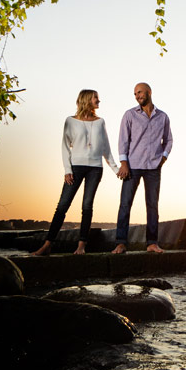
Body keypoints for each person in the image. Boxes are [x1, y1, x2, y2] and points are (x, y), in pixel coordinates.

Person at [32, 89, 119, 256]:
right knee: (62, 205)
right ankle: (48, 245)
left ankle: (81, 246)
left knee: (87, 206)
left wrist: (115, 169)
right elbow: (65, 146)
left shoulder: (101, 122)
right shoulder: (70, 121)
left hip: (95, 168)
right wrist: (67, 169)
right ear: (87, 99)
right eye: (96, 98)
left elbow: (105, 148)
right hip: (76, 168)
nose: (99, 101)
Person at [112, 82, 173, 254]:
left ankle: (152, 243)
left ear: (149, 92)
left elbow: (168, 139)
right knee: (125, 204)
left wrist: (163, 157)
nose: (137, 96)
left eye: (139, 92)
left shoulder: (163, 117)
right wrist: (123, 163)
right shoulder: (130, 115)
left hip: (154, 167)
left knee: (152, 205)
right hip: (133, 166)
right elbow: (123, 140)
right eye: (135, 94)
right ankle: (121, 243)